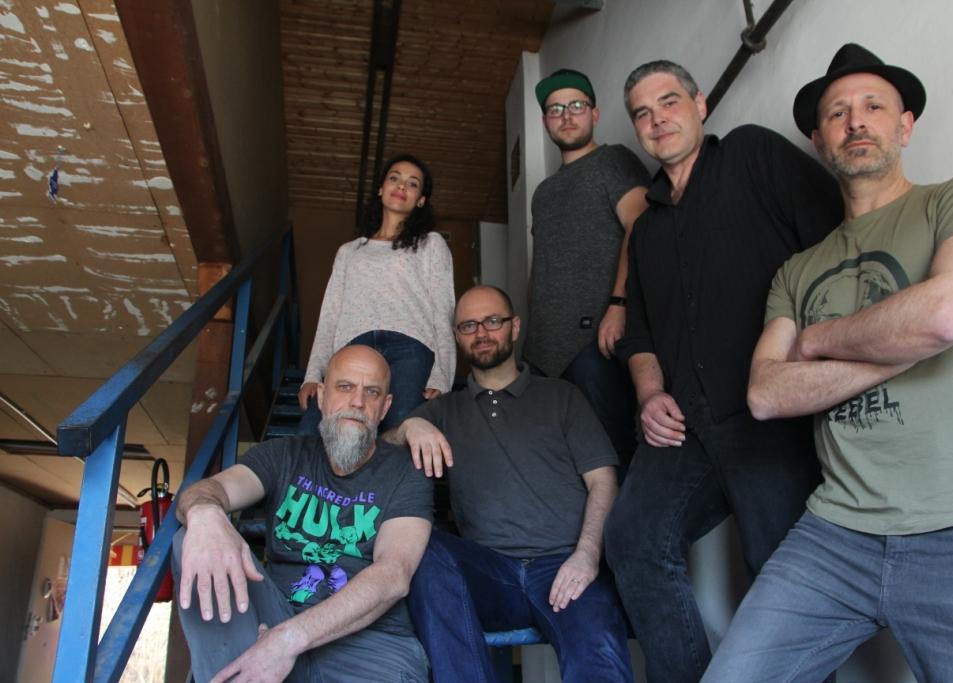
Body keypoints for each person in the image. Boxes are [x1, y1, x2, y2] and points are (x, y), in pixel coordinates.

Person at [703, 43, 953, 682]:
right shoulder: (797, 270)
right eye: (837, 113)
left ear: (905, 125)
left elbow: (946, 316)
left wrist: (821, 340)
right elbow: (765, 394)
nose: (855, 121)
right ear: (819, 140)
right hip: (835, 531)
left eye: (873, 106)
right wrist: (904, 344)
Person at [603, 60, 844, 682]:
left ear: (700, 104)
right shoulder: (646, 228)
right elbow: (639, 332)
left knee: (785, 577)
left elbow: (835, 244)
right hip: (685, 423)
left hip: (769, 417)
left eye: (669, 101)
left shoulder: (752, 154)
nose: (657, 119)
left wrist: (812, 351)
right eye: (642, 113)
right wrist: (649, 393)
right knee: (630, 540)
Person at [387, 285, 632, 683]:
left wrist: (587, 556)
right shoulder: (444, 410)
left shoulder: (562, 397)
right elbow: (378, 451)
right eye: (468, 325)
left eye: (492, 321)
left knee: (598, 660)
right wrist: (409, 427)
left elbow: (604, 482)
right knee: (421, 546)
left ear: (514, 327)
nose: (481, 333)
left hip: (565, 566)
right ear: (457, 336)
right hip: (489, 573)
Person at [173, 345, 434, 683]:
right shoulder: (282, 455)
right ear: (322, 396)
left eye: (372, 392)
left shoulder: (405, 472)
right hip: (272, 617)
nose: (357, 401)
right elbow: (210, 490)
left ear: (385, 407)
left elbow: (394, 574)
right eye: (345, 387)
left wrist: (288, 640)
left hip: (369, 643)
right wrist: (206, 513)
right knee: (193, 533)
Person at [525, 69, 649, 474]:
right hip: (543, 352)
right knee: (558, 463)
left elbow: (640, 226)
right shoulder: (542, 193)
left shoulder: (613, 160)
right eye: (555, 109)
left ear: (594, 114)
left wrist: (619, 304)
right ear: (546, 122)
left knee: (611, 455)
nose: (566, 115)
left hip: (595, 340)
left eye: (576, 105)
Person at [298, 154, 455, 435]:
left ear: (421, 200)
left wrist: (441, 376)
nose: (402, 186)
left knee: (400, 437)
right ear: (381, 189)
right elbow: (330, 316)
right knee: (313, 435)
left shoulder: (431, 244)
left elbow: (443, 313)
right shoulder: (349, 251)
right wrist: (312, 374)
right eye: (394, 178)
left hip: (410, 350)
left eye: (413, 183)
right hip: (352, 349)